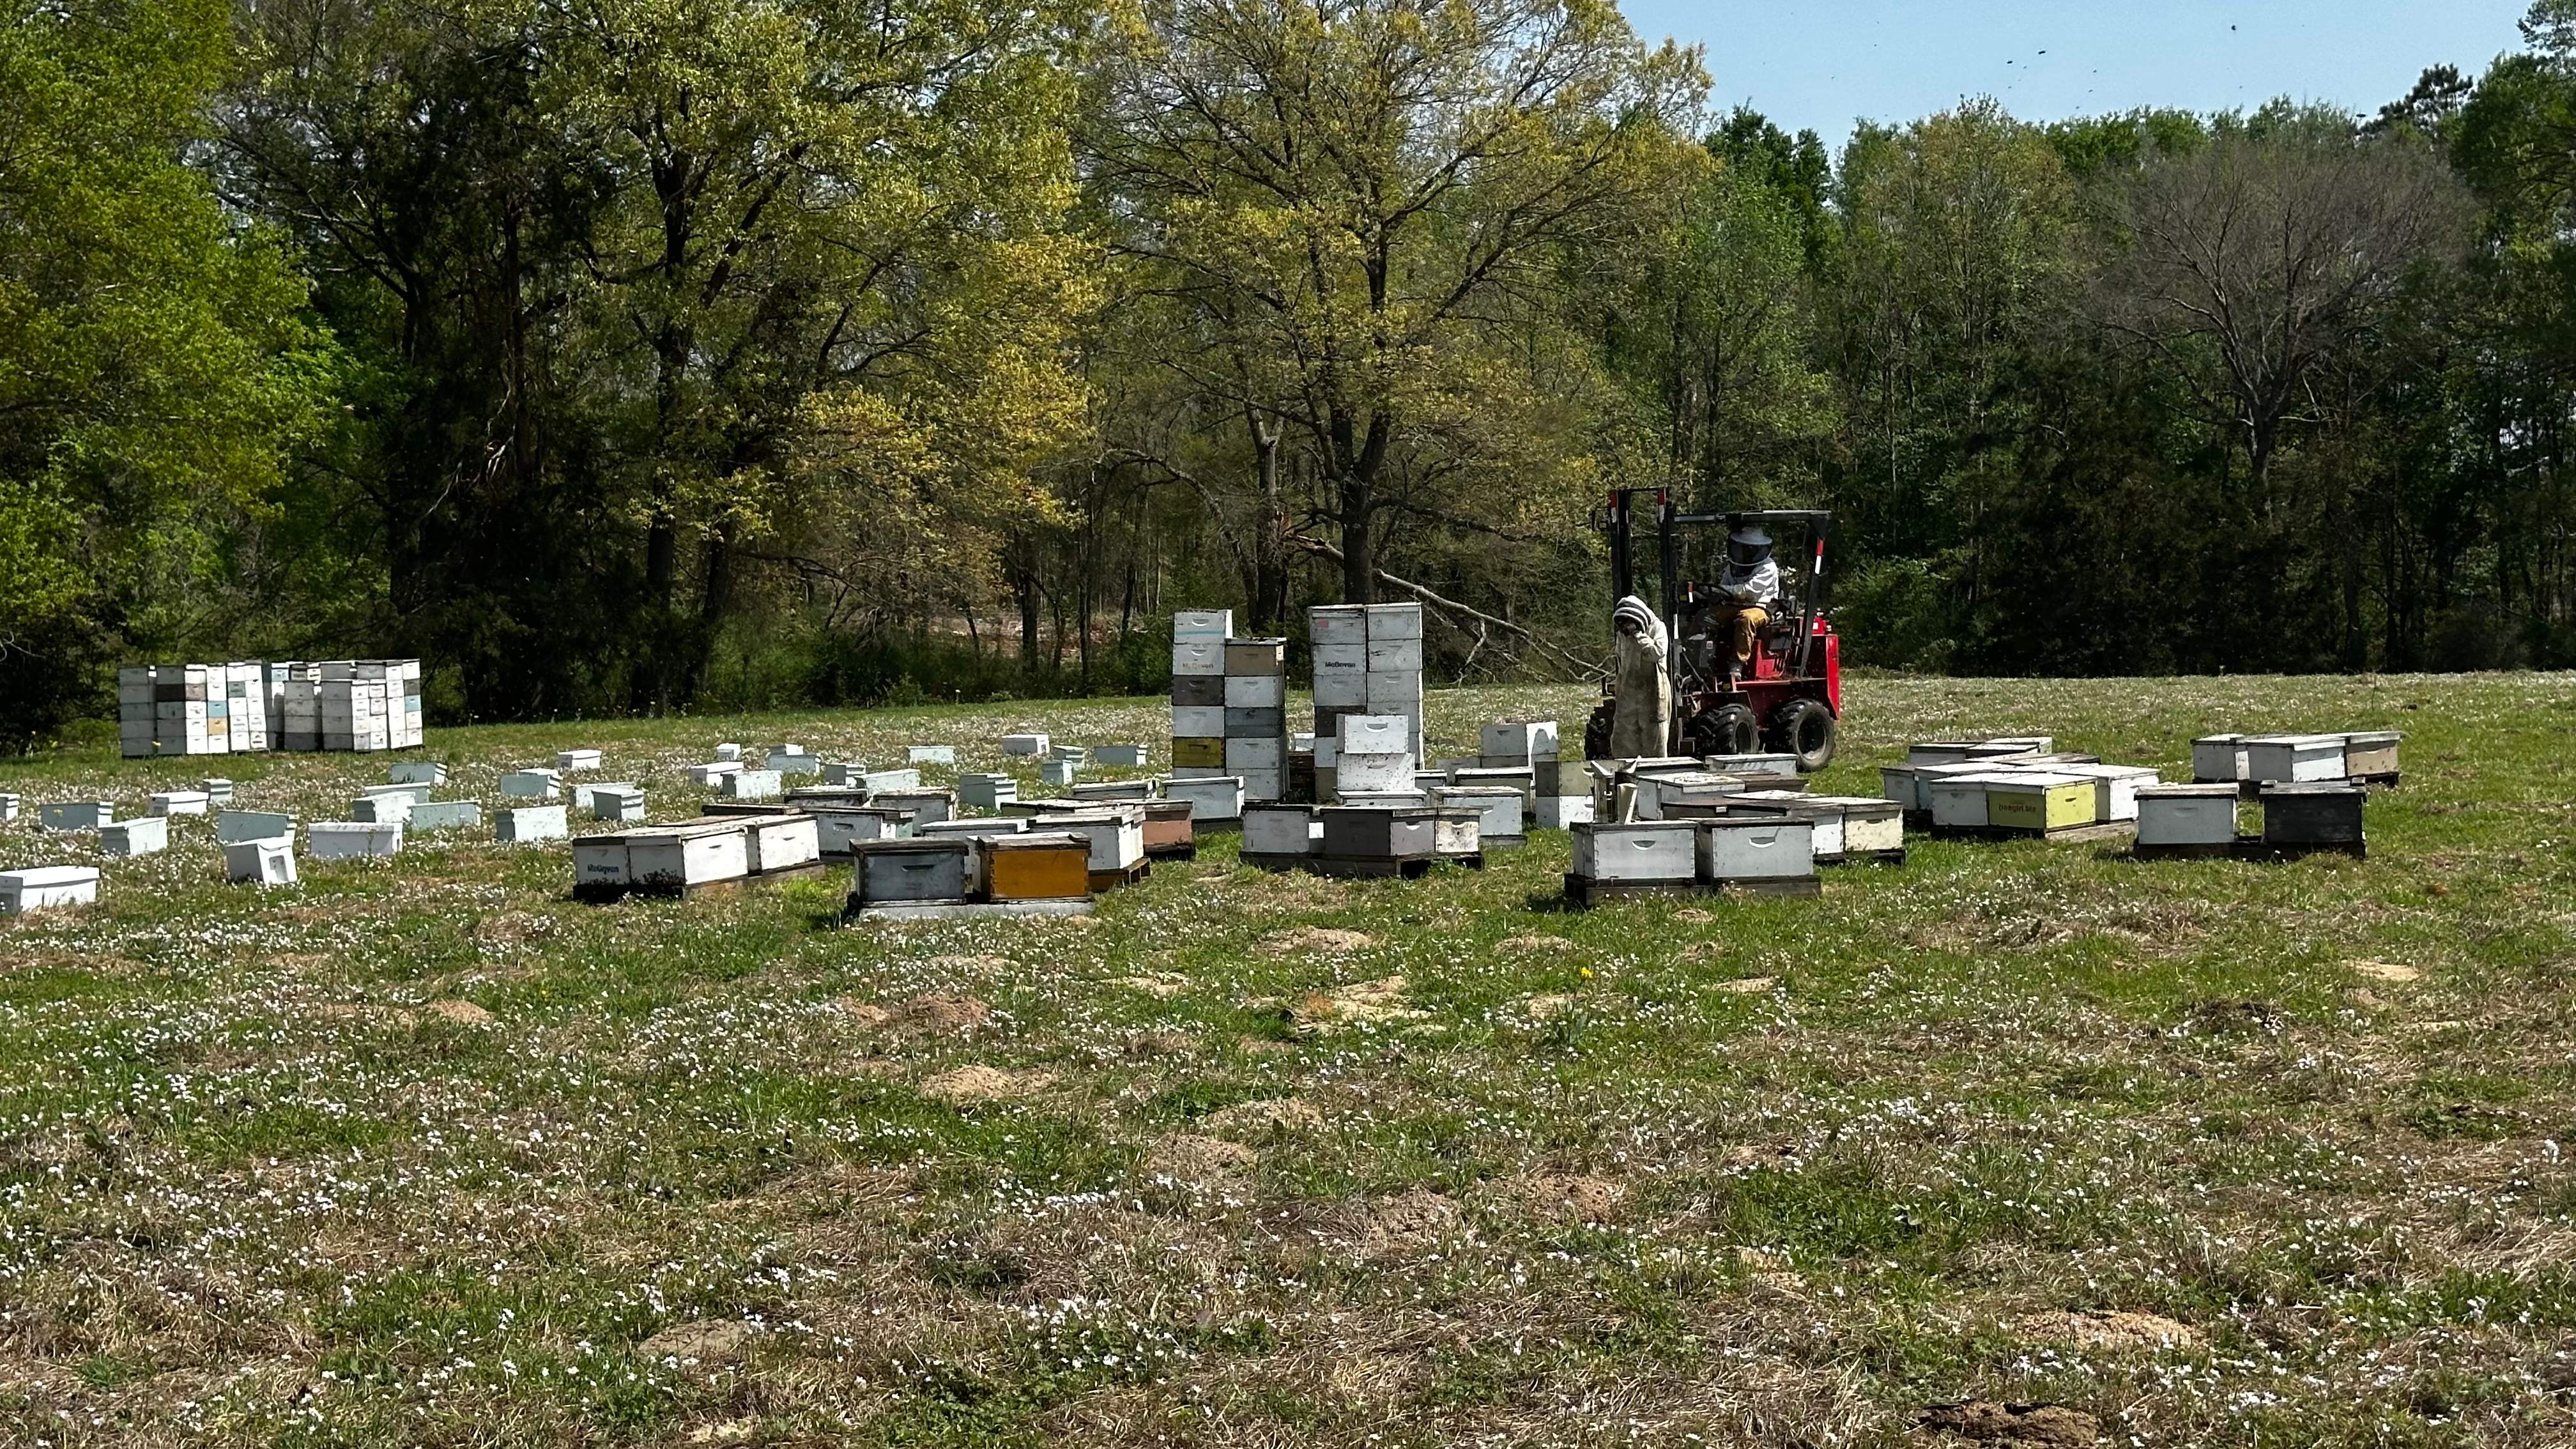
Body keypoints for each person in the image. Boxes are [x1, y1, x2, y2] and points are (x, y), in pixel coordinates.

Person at [1712, 525, 1782, 687]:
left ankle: (1737, 664)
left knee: (1746, 619)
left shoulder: (1768, 567)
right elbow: (1723, 587)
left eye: (1748, 548)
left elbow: (1749, 592)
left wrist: (1722, 590)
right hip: (1735, 605)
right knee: (1708, 616)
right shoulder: (1733, 566)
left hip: (1762, 607)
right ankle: (1703, 658)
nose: (1744, 552)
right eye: (1742, 548)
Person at [1609, 594, 1671, 759]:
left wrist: (1640, 636)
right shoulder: (1622, 635)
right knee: (1623, 740)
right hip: (1629, 691)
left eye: (1628, 623)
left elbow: (1657, 653)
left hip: (1653, 692)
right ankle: (1625, 773)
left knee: (1654, 740)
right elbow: (1620, 659)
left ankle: (1655, 774)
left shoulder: (1658, 628)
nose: (1625, 628)